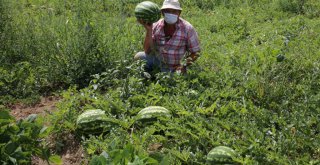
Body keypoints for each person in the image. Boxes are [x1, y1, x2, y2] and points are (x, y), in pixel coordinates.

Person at [134, 0, 201, 74]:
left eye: (174, 11)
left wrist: (183, 65)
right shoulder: (156, 25)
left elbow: (196, 52)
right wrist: (148, 30)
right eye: (168, 11)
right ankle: (153, 74)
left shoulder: (187, 28)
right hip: (158, 62)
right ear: (162, 13)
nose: (171, 14)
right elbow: (147, 51)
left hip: (175, 67)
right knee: (139, 56)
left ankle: (158, 75)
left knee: (176, 78)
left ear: (179, 13)